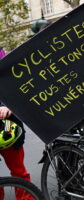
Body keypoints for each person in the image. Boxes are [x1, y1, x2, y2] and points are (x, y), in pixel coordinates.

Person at [0, 47, 33, 200]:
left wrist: (8, 106)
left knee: (19, 172)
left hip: (8, 129)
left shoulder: (5, 60)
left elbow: (18, 89)